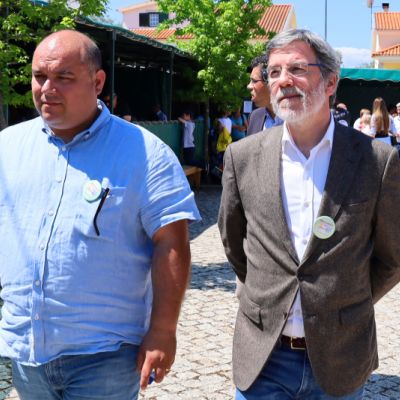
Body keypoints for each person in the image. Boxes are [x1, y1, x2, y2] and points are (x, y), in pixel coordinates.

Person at [0, 30, 201, 400]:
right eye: (40, 76)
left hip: (104, 355)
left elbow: (171, 243)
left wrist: (163, 330)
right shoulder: (8, 147)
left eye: (63, 77)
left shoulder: (145, 153)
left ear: (97, 82)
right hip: (26, 351)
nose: (47, 89)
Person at [218, 28, 400, 400]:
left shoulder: (377, 161)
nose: (283, 80)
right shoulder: (242, 157)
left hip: (340, 355)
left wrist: (345, 298)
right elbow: (234, 243)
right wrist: (267, 292)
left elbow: (392, 256)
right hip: (263, 357)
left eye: (297, 68)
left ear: (331, 82)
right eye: (274, 72)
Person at [246, 55, 283, 135]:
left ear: (272, 83)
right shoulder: (254, 117)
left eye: (254, 81)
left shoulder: (299, 118)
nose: (248, 86)